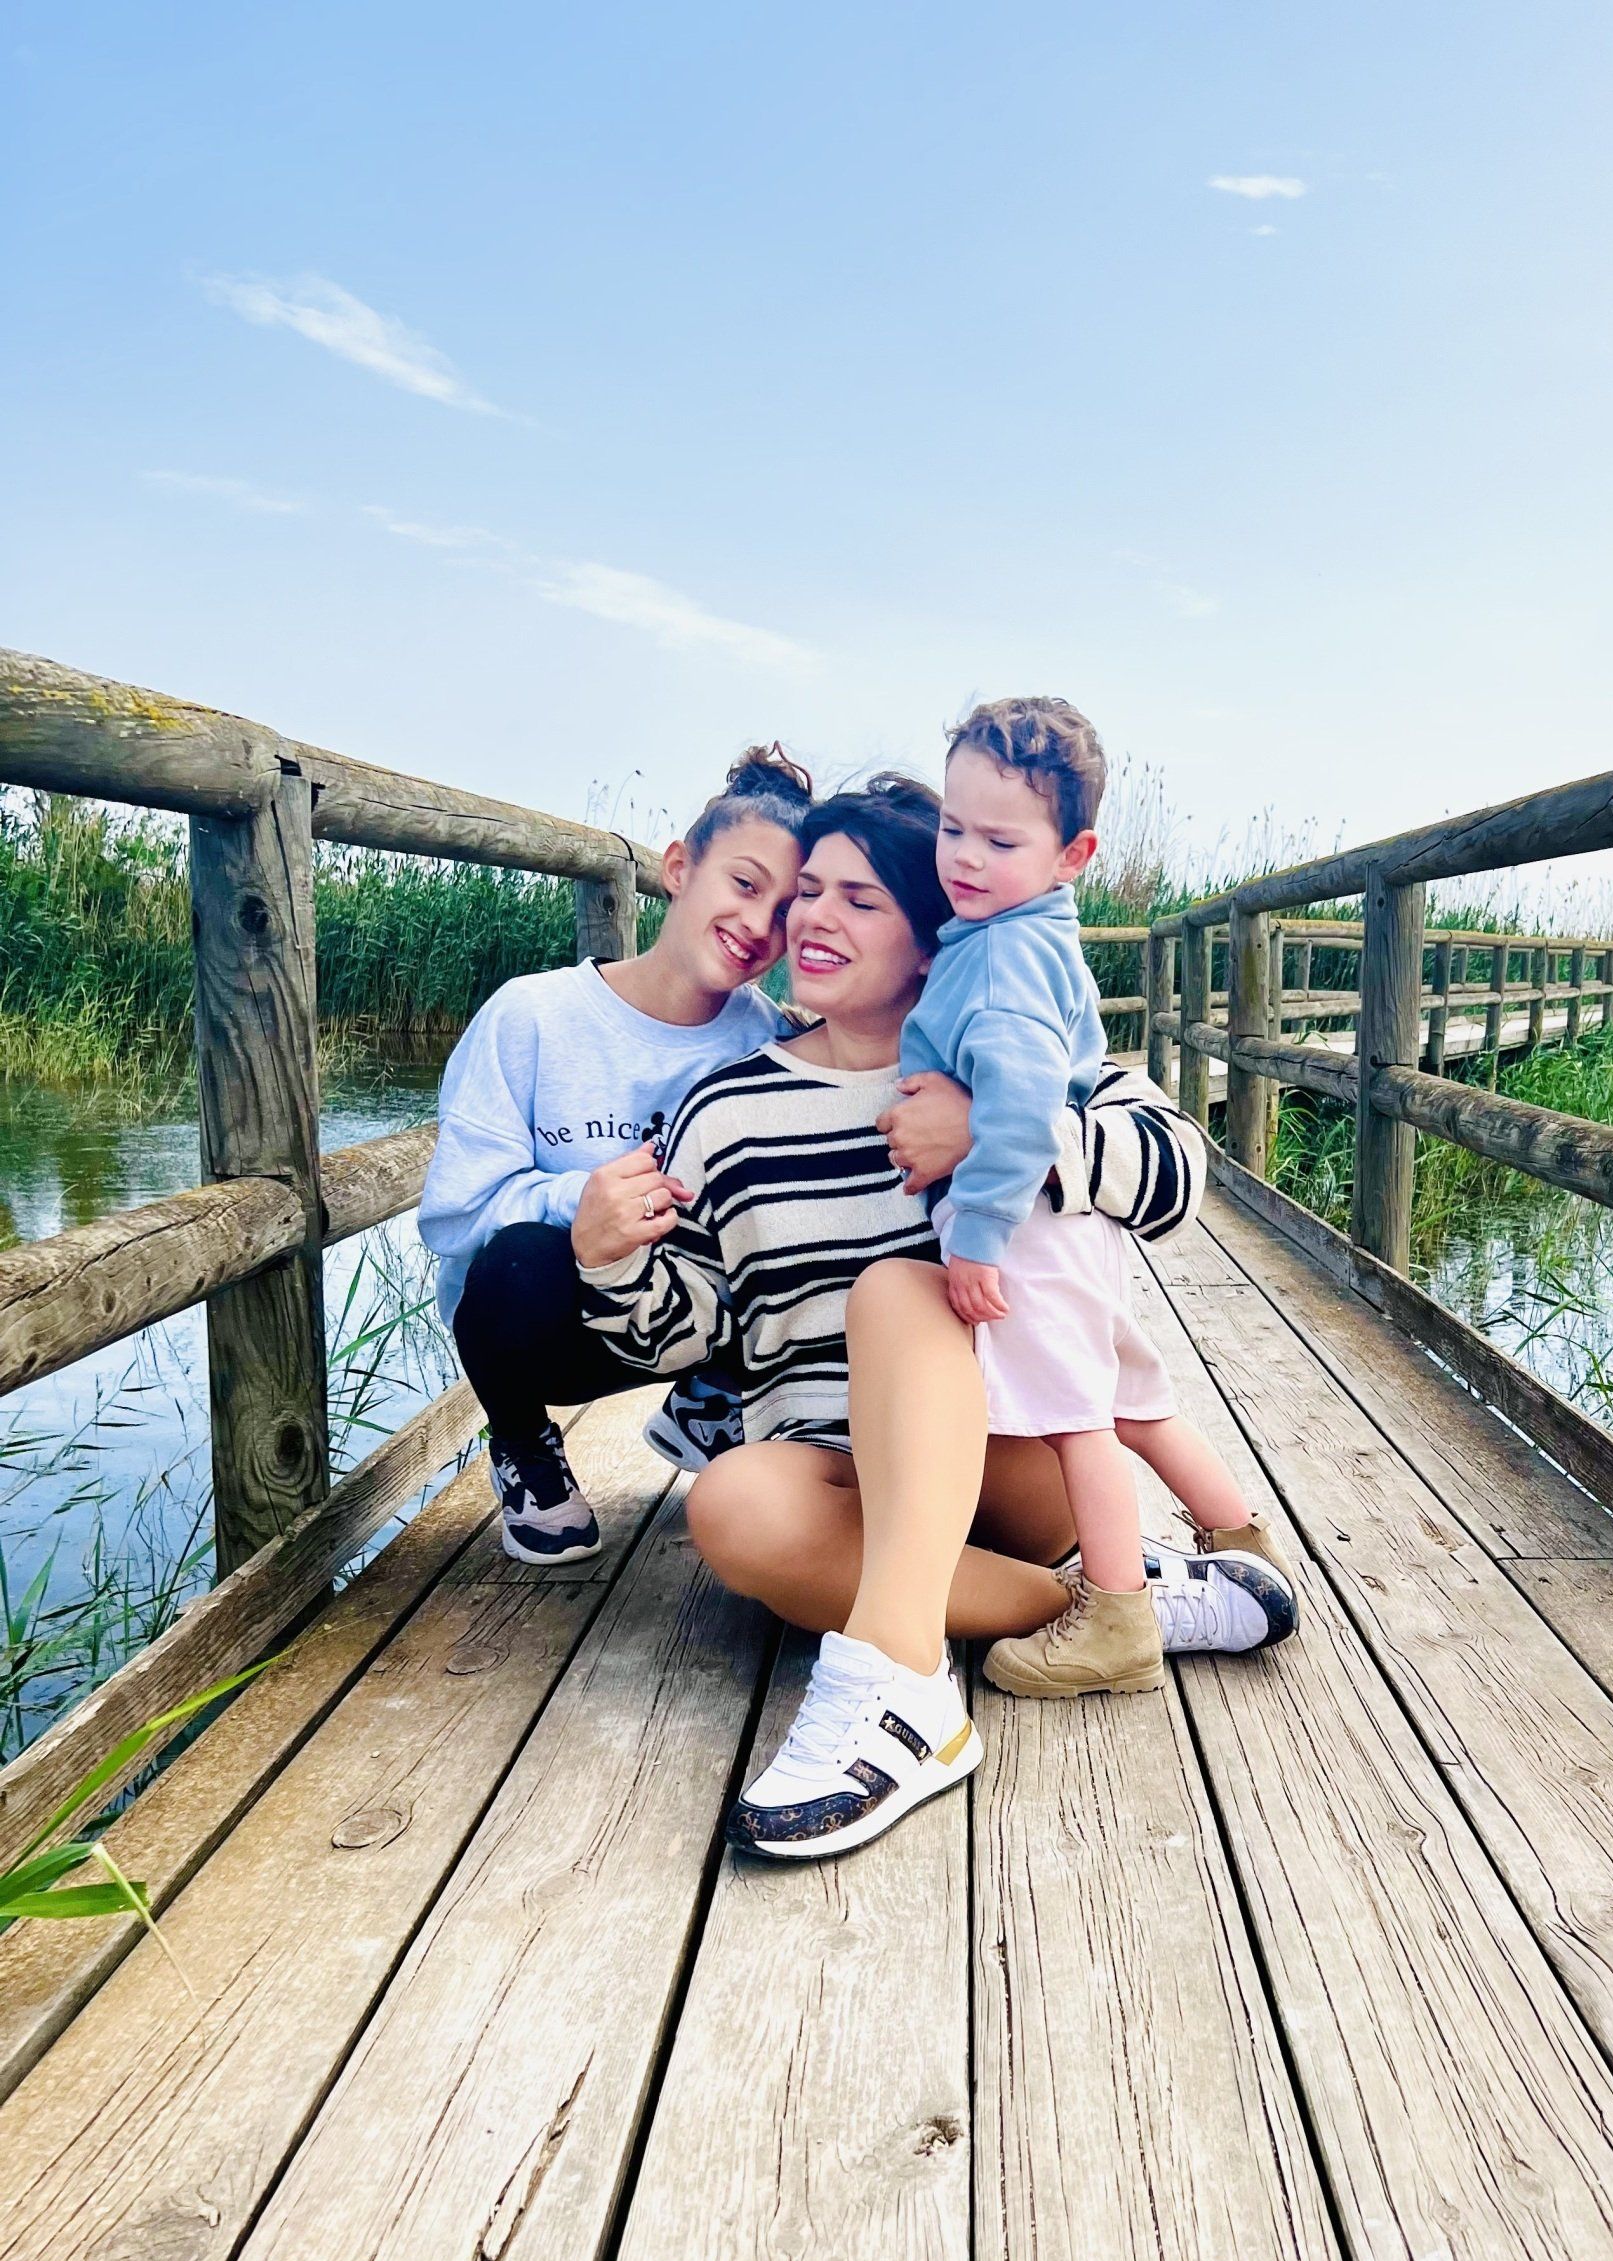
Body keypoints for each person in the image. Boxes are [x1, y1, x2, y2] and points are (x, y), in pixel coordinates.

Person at [574, 776, 1296, 1861]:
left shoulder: (1017, 1057)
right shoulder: (724, 1112)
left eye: (861, 900)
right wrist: (607, 1261)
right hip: (832, 1474)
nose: (813, 917)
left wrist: (1008, 1132)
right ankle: (1109, 1600)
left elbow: (1180, 1174)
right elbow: (678, 1334)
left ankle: (898, 1687)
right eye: (809, 891)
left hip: (1009, 1454)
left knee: (899, 1292)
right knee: (729, 1508)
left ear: (932, 938)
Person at [907, 697, 1290, 1698]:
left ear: (1072, 853)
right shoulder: (1026, 929)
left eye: (1000, 838)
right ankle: (1242, 1540)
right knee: (1126, 1395)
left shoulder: (1001, 959)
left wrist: (978, 1238)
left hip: (1025, 1230)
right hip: (1071, 1229)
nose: (965, 856)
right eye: (953, 828)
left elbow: (1026, 1110)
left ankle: (1117, 1616)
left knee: (1075, 1415)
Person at [417, 747, 810, 1563]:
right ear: (678, 868)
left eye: (784, 910)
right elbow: (453, 1216)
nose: (756, 926)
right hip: (549, 1324)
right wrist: (579, 1202)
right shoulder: (530, 1017)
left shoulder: (767, 1038)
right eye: (743, 884)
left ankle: (715, 1397)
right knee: (514, 1261)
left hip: (685, 1313)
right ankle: (525, 1450)